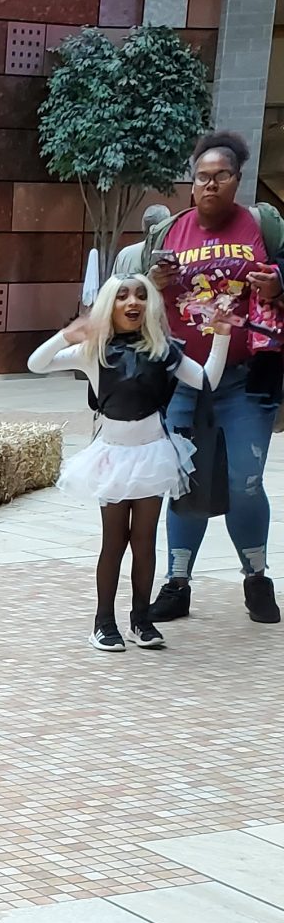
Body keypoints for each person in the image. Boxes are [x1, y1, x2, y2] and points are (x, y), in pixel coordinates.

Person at [29, 273, 230, 653]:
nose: (132, 302)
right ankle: (103, 622)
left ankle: (141, 619)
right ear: (109, 305)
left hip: (153, 454)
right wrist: (68, 335)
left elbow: (207, 380)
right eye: (121, 296)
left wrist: (221, 335)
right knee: (114, 539)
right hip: (112, 456)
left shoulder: (164, 351)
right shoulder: (93, 351)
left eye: (140, 295)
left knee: (145, 539)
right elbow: (36, 364)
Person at [141, 129, 282, 627]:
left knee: (245, 482)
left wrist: (278, 282)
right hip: (184, 381)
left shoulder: (262, 226)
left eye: (221, 175)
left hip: (245, 381)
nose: (210, 184)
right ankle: (177, 584)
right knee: (184, 483)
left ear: (237, 179)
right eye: (202, 176)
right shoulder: (171, 232)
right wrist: (153, 282)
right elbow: (138, 297)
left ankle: (257, 578)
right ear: (192, 181)